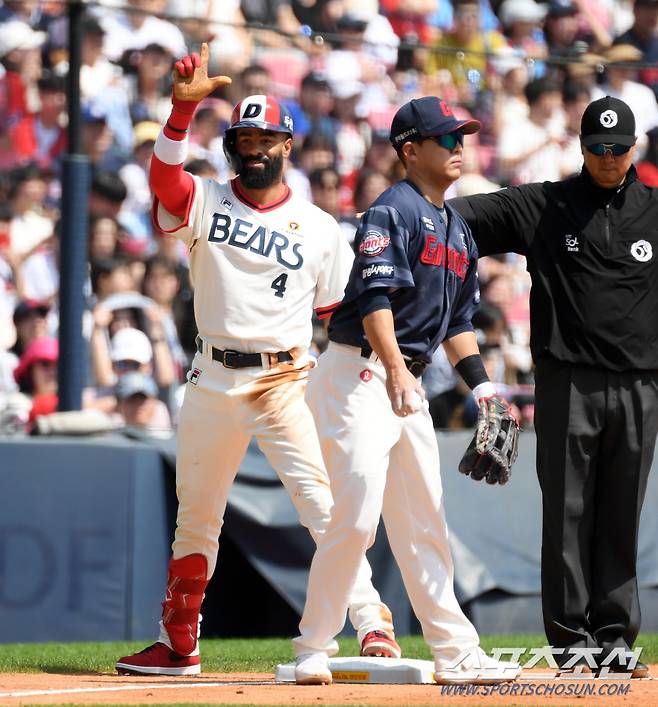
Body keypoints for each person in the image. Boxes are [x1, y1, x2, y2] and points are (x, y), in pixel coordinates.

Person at [116, 43, 400, 677]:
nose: (254, 147)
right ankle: (180, 644)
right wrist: (179, 115)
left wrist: (374, 375)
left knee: (321, 505)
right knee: (196, 516)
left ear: (287, 144)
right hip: (211, 375)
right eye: (245, 136)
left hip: (285, 376)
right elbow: (165, 181)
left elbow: (339, 315)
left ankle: (372, 623)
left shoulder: (322, 227)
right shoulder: (209, 199)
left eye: (266, 137)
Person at [291, 96, 521, 685]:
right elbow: (373, 301)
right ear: (410, 149)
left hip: (403, 379)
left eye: (461, 136)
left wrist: (485, 389)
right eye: (446, 139)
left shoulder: (458, 229)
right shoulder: (391, 210)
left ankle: (455, 650)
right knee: (359, 513)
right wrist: (394, 369)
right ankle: (313, 645)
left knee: (425, 520)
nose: (458, 147)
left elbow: (461, 324)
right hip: (358, 372)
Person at [450, 96, 655, 678]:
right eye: (598, 148)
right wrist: (406, 212)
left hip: (642, 383)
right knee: (566, 512)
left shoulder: (655, 209)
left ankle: (615, 639)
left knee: (621, 513)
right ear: (582, 148)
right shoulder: (546, 204)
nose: (609, 158)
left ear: (633, 148)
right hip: (568, 379)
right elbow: (458, 217)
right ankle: (572, 644)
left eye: (618, 149)